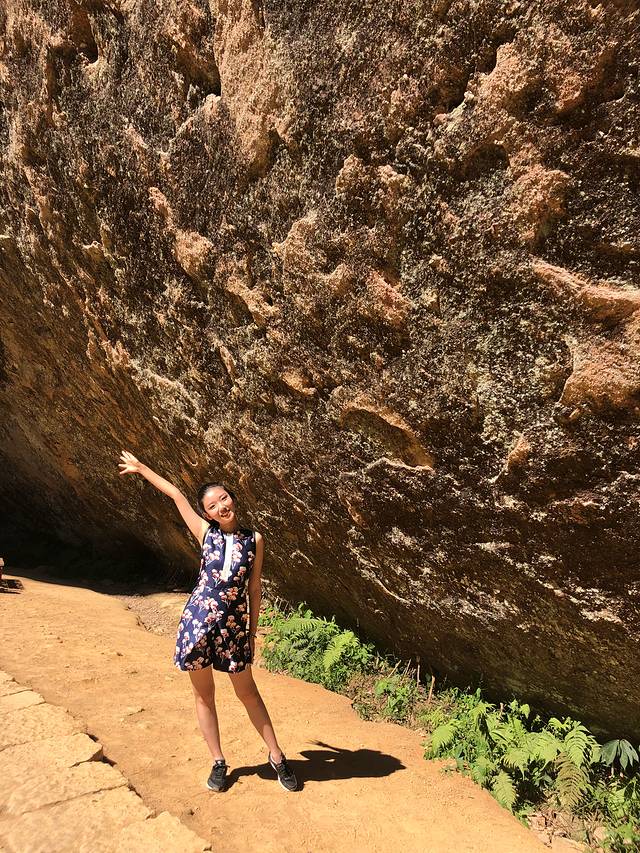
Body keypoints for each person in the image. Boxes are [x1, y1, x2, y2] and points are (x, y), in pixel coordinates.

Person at [118, 450, 298, 793]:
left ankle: (277, 756)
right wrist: (141, 468)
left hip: (234, 626)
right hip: (198, 621)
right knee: (204, 696)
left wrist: (251, 632)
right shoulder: (205, 533)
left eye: (224, 498)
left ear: (232, 498)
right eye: (213, 505)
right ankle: (218, 761)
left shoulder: (254, 540)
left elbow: (254, 588)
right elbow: (175, 494)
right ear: (206, 513)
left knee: (248, 693)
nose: (221, 507)